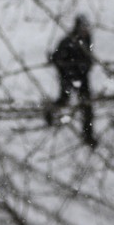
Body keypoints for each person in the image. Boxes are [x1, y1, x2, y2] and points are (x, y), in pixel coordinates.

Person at [47, 15, 96, 149]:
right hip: (69, 77)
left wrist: (87, 65)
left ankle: (88, 135)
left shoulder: (87, 39)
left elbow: (88, 56)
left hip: (83, 78)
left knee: (87, 106)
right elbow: (57, 59)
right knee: (64, 100)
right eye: (83, 27)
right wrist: (67, 70)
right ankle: (49, 112)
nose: (86, 30)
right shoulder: (67, 41)